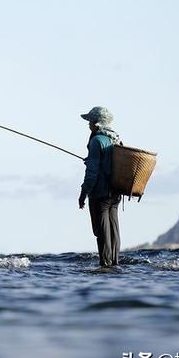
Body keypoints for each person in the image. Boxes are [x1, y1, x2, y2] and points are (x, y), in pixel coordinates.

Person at [78, 107, 123, 267]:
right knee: (113, 230)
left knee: (101, 232)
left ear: (96, 124)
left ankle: (105, 265)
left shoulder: (97, 141)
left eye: (90, 121)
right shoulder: (115, 139)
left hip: (100, 193)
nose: (88, 125)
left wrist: (83, 193)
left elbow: (92, 172)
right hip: (116, 193)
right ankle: (115, 264)